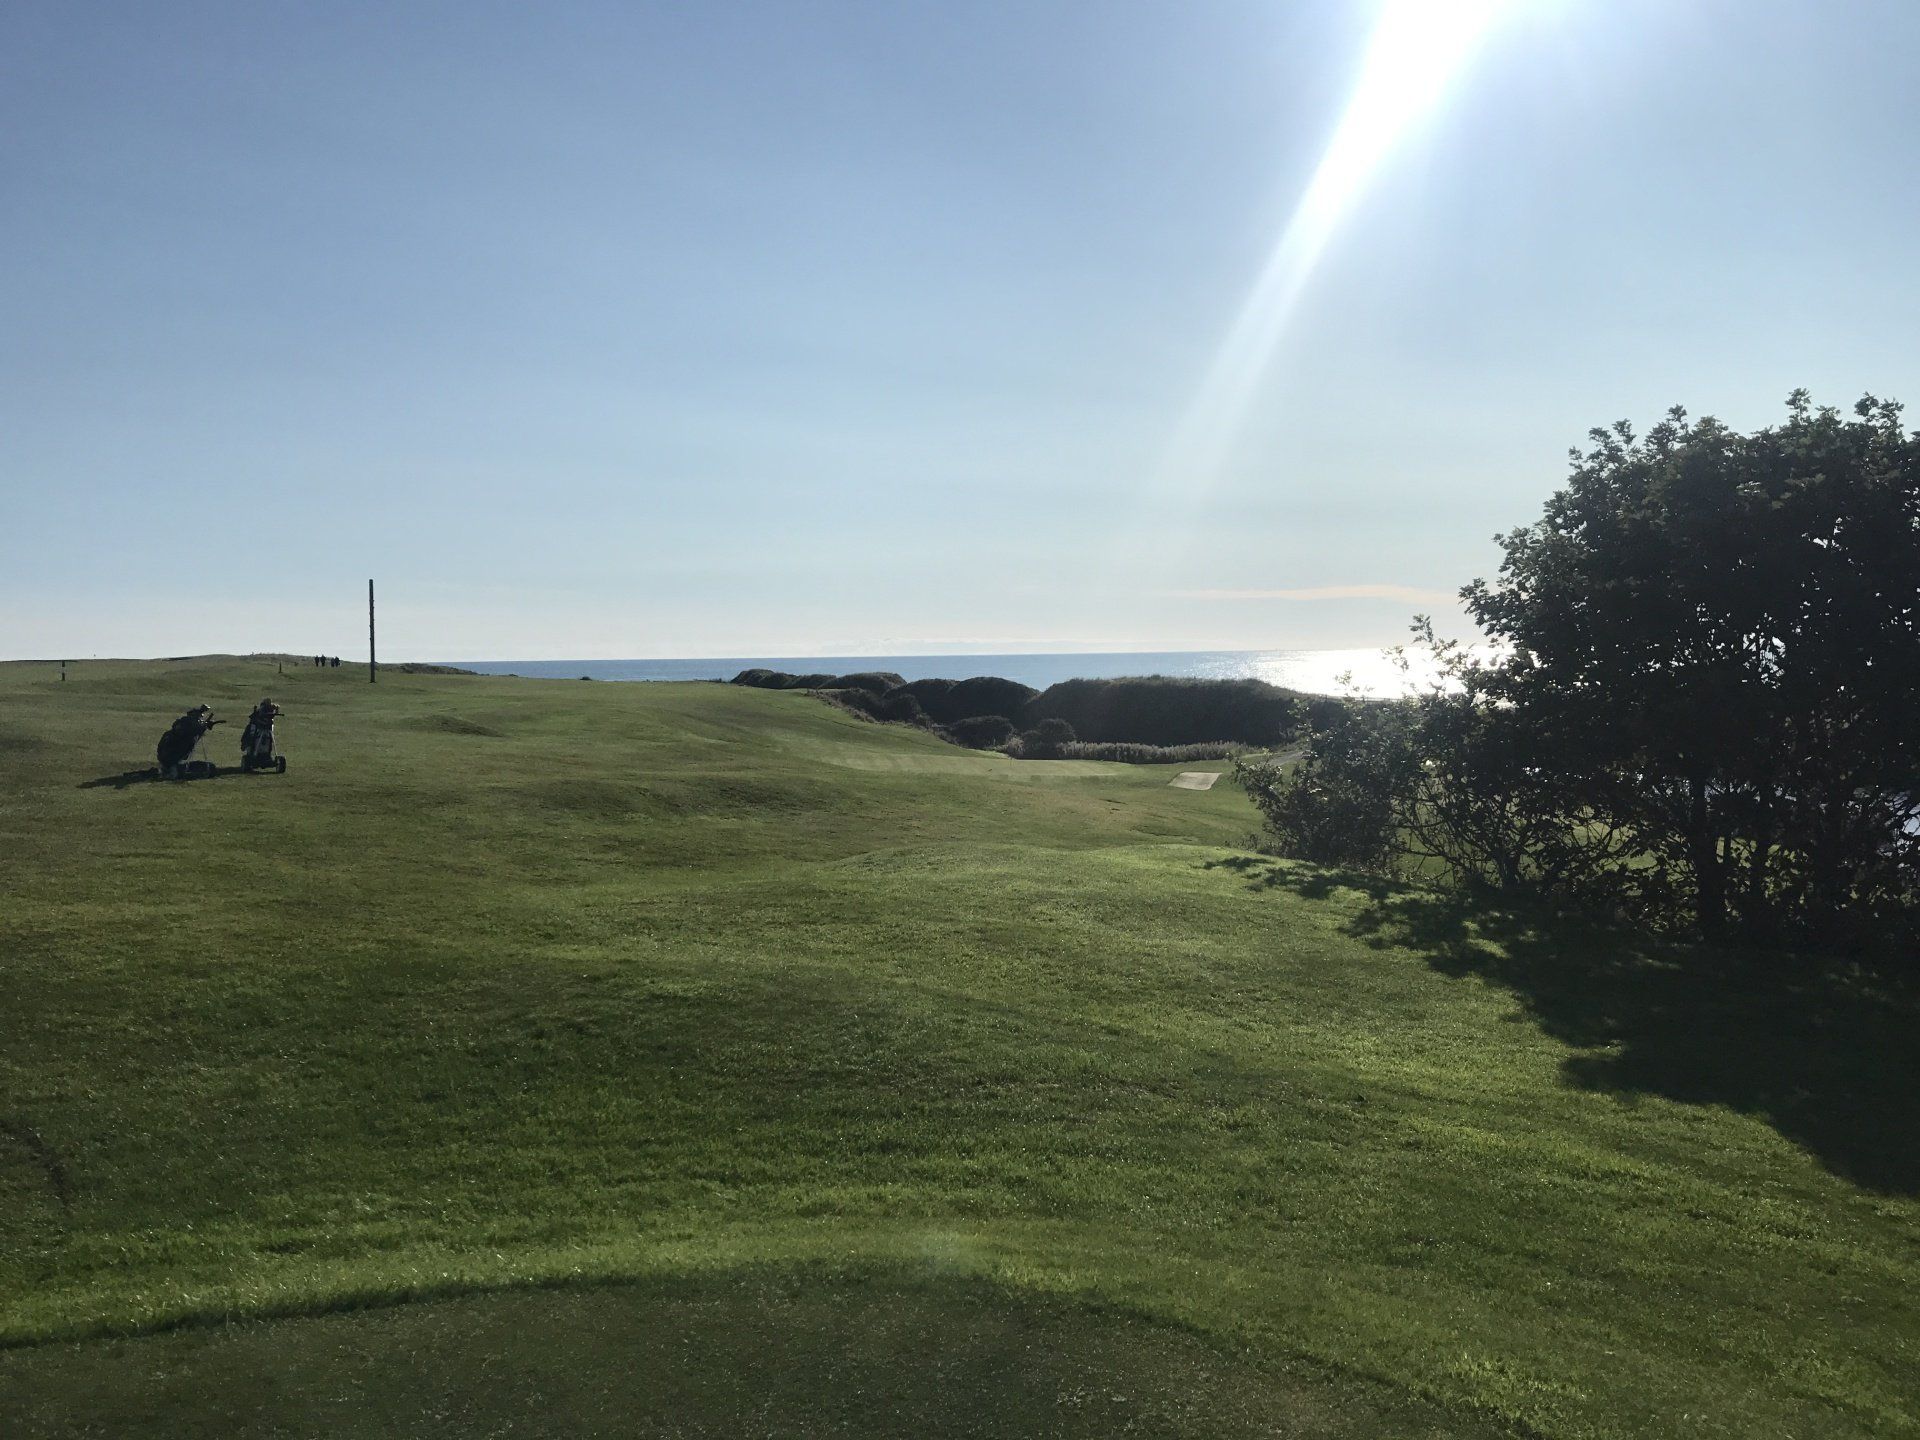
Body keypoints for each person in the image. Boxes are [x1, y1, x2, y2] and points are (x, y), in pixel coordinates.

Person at [156, 705, 221, 779]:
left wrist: (203, 727)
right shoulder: (185, 733)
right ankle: (171, 773)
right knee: (211, 768)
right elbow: (195, 732)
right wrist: (203, 727)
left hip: (166, 762)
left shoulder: (172, 733)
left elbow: (194, 733)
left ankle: (167, 772)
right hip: (172, 763)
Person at [240, 698, 284, 772]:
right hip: (260, 730)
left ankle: (266, 757)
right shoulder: (261, 710)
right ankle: (254, 758)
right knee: (257, 741)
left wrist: (276, 710)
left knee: (269, 741)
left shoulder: (271, 707)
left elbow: (277, 707)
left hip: (267, 729)